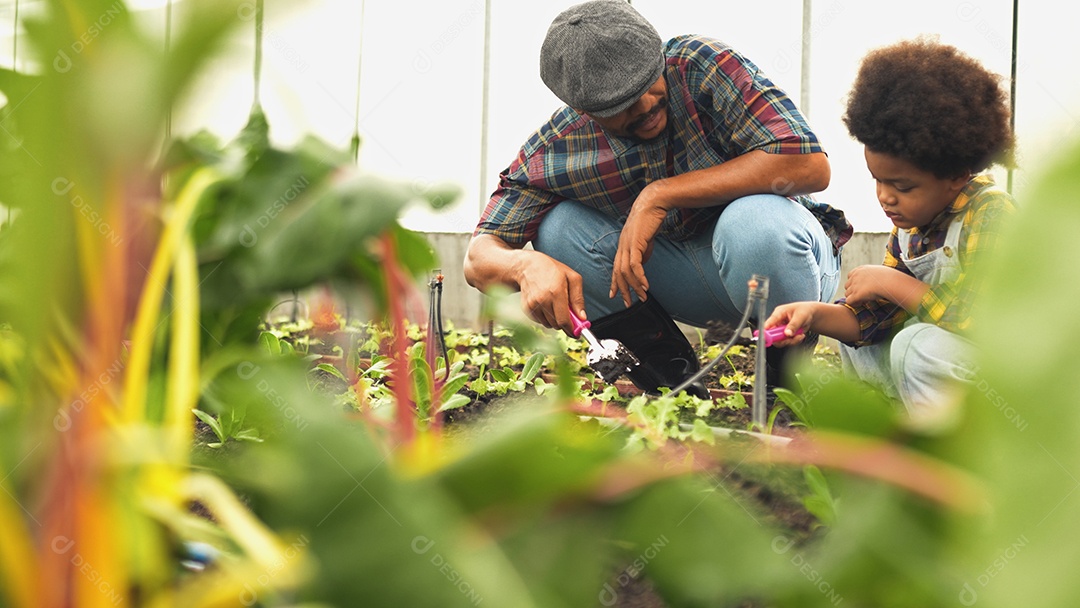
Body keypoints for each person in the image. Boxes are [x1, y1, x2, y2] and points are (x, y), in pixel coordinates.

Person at [463, 0, 850, 397]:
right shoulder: (558, 147)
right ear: (584, 111)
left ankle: (785, 389)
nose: (646, 105)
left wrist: (660, 195)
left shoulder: (701, 64)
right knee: (558, 230)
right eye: (622, 105)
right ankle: (673, 390)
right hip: (686, 284)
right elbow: (478, 258)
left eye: (650, 81)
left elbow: (809, 166)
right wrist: (524, 266)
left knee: (754, 221)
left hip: (788, 268)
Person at [763, 37, 1016, 418]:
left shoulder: (991, 215)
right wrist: (813, 315)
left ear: (956, 174)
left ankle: (953, 452)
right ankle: (890, 430)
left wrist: (893, 283)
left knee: (915, 344)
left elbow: (983, 323)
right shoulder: (910, 229)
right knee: (862, 344)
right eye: (877, 181)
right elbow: (872, 321)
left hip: (1001, 382)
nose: (885, 197)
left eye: (903, 186)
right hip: (935, 378)